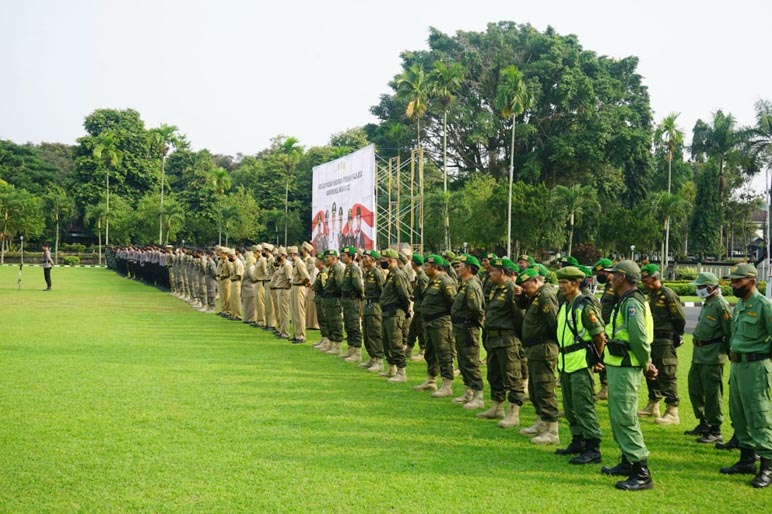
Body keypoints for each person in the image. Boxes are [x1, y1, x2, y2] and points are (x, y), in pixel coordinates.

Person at [600, 260, 657, 491]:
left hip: (626, 365)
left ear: (623, 277)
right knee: (617, 415)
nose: (610, 277)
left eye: (613, 274)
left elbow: (639, 337)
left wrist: (646, 363)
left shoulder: (632, 303)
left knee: (625, 416)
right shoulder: (624, 300)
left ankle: (642, 472)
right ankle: (627, 460)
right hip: (617, 363)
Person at [719, 263, 772, 488]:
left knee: (759, 416)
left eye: (737, 281)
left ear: (752, 281)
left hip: (756, 367)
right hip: (738, 367)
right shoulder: (740, 305)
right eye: (732, 281)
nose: (733, 285)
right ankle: (747, 459)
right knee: (738, 414)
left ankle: (767, 466)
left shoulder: (764, 306)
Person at [554, 266, 606, 465]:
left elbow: (599, 336)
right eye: (559, 283)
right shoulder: (566, 305)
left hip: (580, 363)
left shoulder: (583, 306)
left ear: (575, 284)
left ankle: (593, 447)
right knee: (569, 407)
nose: (561, 287)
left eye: (564, 283)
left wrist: (598, 360)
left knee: (583, 406)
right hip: (566, 363)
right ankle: (578, 440)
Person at [476, 258, 526, 427]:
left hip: (508, 340)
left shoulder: (512, 290)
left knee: (512, 376)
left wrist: (518, 339)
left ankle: (514, 413)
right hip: (494, 339)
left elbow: (519, 317)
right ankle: (497, 407)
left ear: (502, 273)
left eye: (494, 271)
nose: (490, 273)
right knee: (494, 375)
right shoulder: (496, 289)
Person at [684, 272, 731, 443]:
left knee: (712, 393)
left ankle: (715, 429)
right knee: (694, 387)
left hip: (713, 355)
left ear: (710, 288)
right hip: (699, 353)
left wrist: (725, 354)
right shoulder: (708, 303)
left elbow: (729, 333)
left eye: (700, 287)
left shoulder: (721, 305)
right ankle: (703, 423)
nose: (698, 290)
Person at [517, 267, 560, 445]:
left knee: (545, 388)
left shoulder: (545, 296)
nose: (525, 290)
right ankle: (541, 422)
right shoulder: (535, 296)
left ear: (536, 281)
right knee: (535, 389)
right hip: (534, 348)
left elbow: (554, 323)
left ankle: (552, 430)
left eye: (527, 286)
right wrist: (522, 295)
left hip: (544, 348)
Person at [639, 264, 686, 425]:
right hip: (651, 339)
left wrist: (676, 335)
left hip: (664, 340)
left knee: (667, 373)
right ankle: (653, 405)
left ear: (655, 278)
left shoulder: (667, 294)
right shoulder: (651, 295)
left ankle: (672, 411)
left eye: (646, 280)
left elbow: (679, 318)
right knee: (651, 371)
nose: (644, 283)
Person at [414, 255, 457, 397]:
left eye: (427, 266)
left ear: (435, 267)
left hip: (441, 324)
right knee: (430, 353)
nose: (424, 268)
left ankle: (446, 384)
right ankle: (431, 380)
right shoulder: (432, 281)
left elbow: (453, 303)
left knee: (444, 354)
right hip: (429, 323)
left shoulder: (445, 282)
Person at [450, 254, 485, 409]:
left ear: (469, 269)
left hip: (468, 328)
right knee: (463, 361)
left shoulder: (472, 285)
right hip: (460, 327)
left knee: (471, 361)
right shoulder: (464, 284)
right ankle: (468, 391)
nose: (458, 268)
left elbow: (477, 309)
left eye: (461, 266)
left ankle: (478, 395)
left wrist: (471, 323)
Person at [378, 248, 411, 383]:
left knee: (395, 343)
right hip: (387, 312)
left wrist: (404, 310)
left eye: (383, 260)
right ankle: (392, 368)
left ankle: (401, 371)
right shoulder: (390, 275)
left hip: (395, 312)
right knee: (386, 342)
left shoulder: (398, 275)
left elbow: (404, 295)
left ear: (391, 261)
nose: (381, 263)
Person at [593, 258, 617, 400]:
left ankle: (608, 388)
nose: (598, 275)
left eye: (600, 272)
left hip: (613, 329)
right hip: (605, 328)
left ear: (607, 271)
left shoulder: (616, 288)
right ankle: (605, 387)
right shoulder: (609, 287)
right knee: (603, 357)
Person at [360, 249, 385, 372]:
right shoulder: (368, 273)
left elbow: (382, 291)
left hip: (375, 307)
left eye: (366, 257)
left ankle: (379, 360)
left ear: (373, 260)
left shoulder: (377, 273)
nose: (364, 259)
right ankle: (372, 357)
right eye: (363, 257)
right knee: (367, 333)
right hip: (368, 306)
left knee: (375, 333)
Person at [339, 246, 364, 361]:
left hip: (352, 300)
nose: (342, 257)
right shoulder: (347, 268)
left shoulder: (353, 269)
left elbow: (358, 286)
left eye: (344, 255)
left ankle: (357, 352)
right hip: (347, 300)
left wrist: (359, 295)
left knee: (354, 326)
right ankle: (350, 349)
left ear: (351, 257)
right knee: (348, 326)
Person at [322, 249, 345, 354]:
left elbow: (340, 284)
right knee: (329, 322)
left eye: (327, 257)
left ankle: (337, 346)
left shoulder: (337, 268)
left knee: (336, 323)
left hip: (335, 299)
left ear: (334, 258)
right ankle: (331, 343)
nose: (325, 259)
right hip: (329, 299)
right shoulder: (331, 269)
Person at [406, 255, 429, 361]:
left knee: (421, 330)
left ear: (413, 264)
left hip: (421, 309)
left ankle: (422, 351)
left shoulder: (422, 277)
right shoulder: (418, 276)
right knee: (413, 330)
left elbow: (425, 294)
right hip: (417, 308)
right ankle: (409, 349)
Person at [289, 246, 311, 344]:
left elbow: (306, 277)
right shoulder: (295, 263)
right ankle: (296, 334)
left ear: (294, 254)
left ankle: (301, 336)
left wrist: (304, 284)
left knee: (299, 312)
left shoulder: (299, 263)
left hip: (299, 287)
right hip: (294, 287)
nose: (289, 257)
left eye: (290, 255)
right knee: (294, 312)